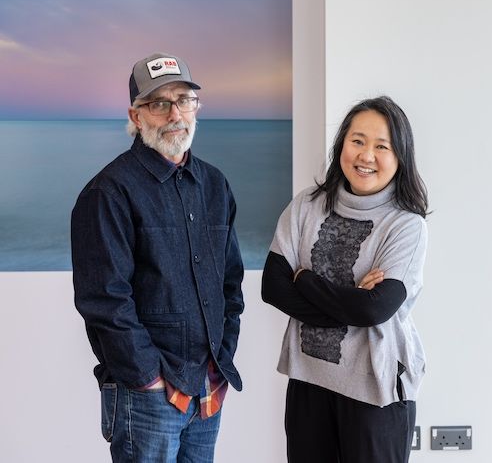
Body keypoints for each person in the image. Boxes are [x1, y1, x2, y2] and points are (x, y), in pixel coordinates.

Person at [71, 53, 245, 462]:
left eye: (184, 100)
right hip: (146, 397)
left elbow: (230, 285)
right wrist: (149, 378)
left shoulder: (215, 185)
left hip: (207, 388)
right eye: (159, 103)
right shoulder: (108, 193)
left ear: (196, 108)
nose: (175, 114)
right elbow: (104, 300)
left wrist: (222, 357)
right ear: (136, 114)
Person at [262, 95, 429, 463]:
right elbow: (273, 286)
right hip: (309, 380)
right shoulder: (307, 205)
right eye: (357, 141)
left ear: (400, 156)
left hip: (375, 391)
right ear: (342, 146)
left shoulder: (405, 226)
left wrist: (303, 279)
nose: (366, 155)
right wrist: (351, 301)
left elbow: (376, 309)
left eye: (381, 146)